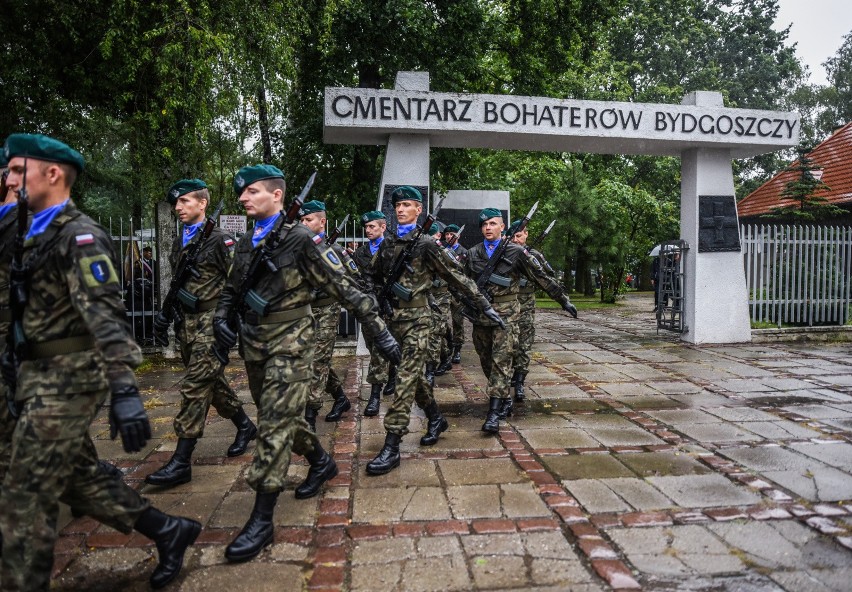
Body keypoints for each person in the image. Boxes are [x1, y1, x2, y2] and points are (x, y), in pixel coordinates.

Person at [0, 133, 199, 591]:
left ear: (52, 174)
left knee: (24, 496)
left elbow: (107, 316)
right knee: (70, 476)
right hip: (27, 372)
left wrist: (125, 390)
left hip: (70, 377)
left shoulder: (80, 235)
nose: (9, 179)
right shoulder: (22, 230)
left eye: (16, 170)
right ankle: (167, 530)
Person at [213, 165, 400, 562]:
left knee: (273, 426)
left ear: (277, 196)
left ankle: (261, 519)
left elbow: (344, 287)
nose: (243, 197)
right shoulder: (246, 243)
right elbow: (232, 289)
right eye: (242, 193)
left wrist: (380, 332)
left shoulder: (300, 240)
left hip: (293, 345)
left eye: (252, 191)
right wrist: (220, 320)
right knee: (282, 419)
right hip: (255, 346)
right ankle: (320, 461)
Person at [362, 186, 503, 475]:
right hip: (393, 321)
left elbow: (457, 277)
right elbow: (373, 275)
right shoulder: (388, 243)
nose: (401, 209)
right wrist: (377, 299)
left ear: (418, 210)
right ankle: (436, 418)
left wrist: (484, 305)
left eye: (407, 205)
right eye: (398, 205)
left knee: (403, 381)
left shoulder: (426, 244)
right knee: (414, 380)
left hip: (418, 322)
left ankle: (392, 445)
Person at [146, 179, 257, 488]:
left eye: (184, 201)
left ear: (202, 203)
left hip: (211, 323)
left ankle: (181, 462)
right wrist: (165, 314)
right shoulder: (181, 239)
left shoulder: (221, 241)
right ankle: (245, 426)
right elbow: (178, 282)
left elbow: (240, 284)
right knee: (214, 386)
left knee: (195, 388)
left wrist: (230, 324)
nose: (178, 207)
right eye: (176, 203)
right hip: (186, 323)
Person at [463, 208, 577, 433]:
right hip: (481, 317)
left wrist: (563, 300)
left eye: (493, 224)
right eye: (484, 224)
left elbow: (541, 277)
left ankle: (494, 412)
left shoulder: (515, 252)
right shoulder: (473, 253)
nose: (488, 228)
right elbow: (461, 280)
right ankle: (503, 395)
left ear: (502, 227)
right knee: (486, 360)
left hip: (507, 316)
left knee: (501, 361)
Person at [299, 199, 352, 428]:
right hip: (305, 310)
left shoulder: (335, 251)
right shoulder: (299, 249)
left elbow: (353, 279)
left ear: (322, 222)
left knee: (317, 360)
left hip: (327, 310)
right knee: (313, 359)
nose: (303, 223)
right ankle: (340, 398)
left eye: (308, 219)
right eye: (301, 220)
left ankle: (310, 415)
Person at [350, 210, 395, 415]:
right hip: (368, 307)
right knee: (372, 346)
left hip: (387, 307)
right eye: (366, 227)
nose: (368, 230)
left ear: (382, 227)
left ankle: (375, 395)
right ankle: (392, 373)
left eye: (372, 227)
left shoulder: (393, 248)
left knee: (378, 350)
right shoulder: (360, 253)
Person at [509, 220, 558, 402]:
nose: (516, 240)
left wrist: (532, 261)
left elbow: (548, 275)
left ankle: (520, 380)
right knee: (507, 344)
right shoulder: (505, 253)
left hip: (526, 304)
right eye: (513, 237)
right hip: (507, 305)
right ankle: (508, 375)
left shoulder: (534, 254)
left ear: (526, 234)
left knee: (524, 343)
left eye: (519, 236)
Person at [427, 222, 454, 380]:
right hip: (426, 296)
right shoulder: (423, 250)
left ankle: (430, 369)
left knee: (435, 331)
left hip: (441, 297)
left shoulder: (445, 252)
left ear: (438, 236)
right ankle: (445, 358)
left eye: (433, 236)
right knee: (434, 332)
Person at [442, 223, 468, 364]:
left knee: (458, 321)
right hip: (444, 291)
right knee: (441, 321)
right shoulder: (442, 250)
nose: (449, 236)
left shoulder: (464, 252)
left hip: (457, 292)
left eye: (452, 234)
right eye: (447, 234)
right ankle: (448, 344)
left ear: (458, 236)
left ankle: (457, 349)